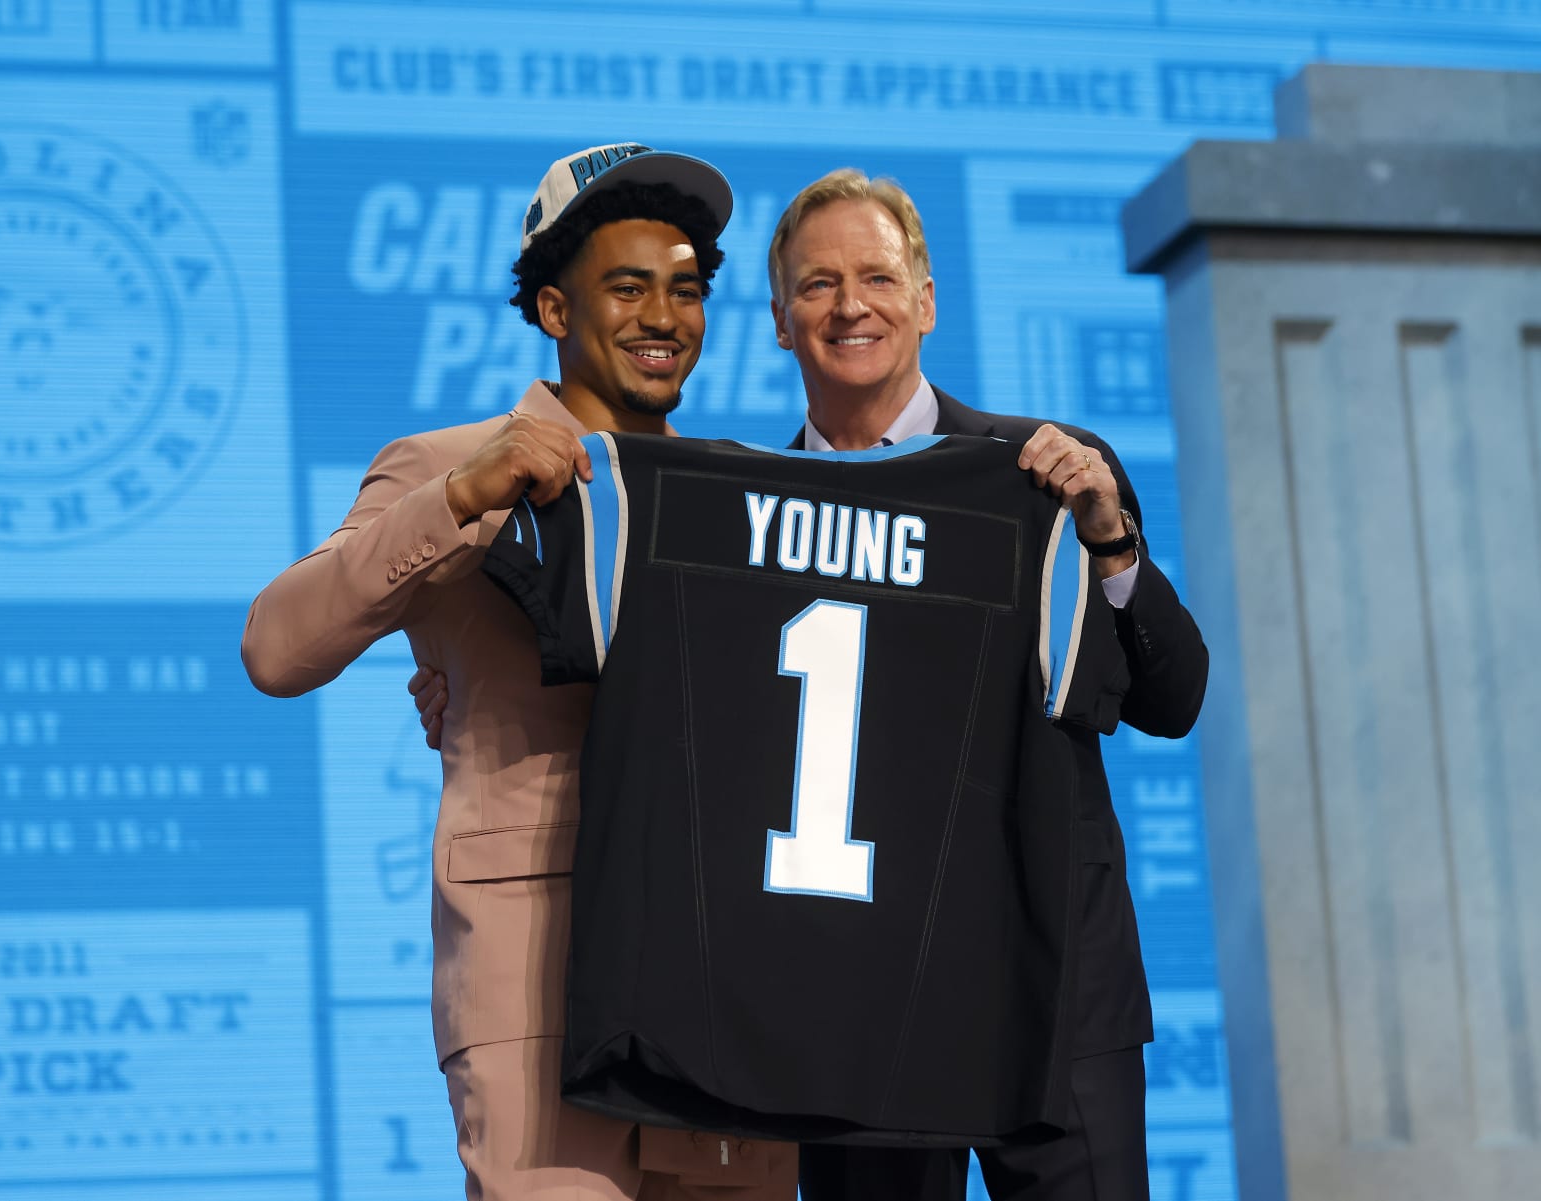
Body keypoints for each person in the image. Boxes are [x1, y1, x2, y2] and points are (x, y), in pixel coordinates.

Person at [242, 143, 797, 1201]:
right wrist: (464, 499)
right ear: (552, 308)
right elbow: (276, 646)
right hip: (537, 981)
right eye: (625, 287)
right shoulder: (447, 464)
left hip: (724, 980)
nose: (661, 317)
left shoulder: (744, 494)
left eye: (685, 290)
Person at [772, 170, 1207, 1200]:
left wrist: (1111, 545)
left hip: (1060, 992)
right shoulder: (755, 515)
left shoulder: (1046, 474)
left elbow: (1174, 699)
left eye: (877, 276)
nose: (850, 306)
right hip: (857, 1006)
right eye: (818, 284)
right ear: (781, 319)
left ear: (926, 300)